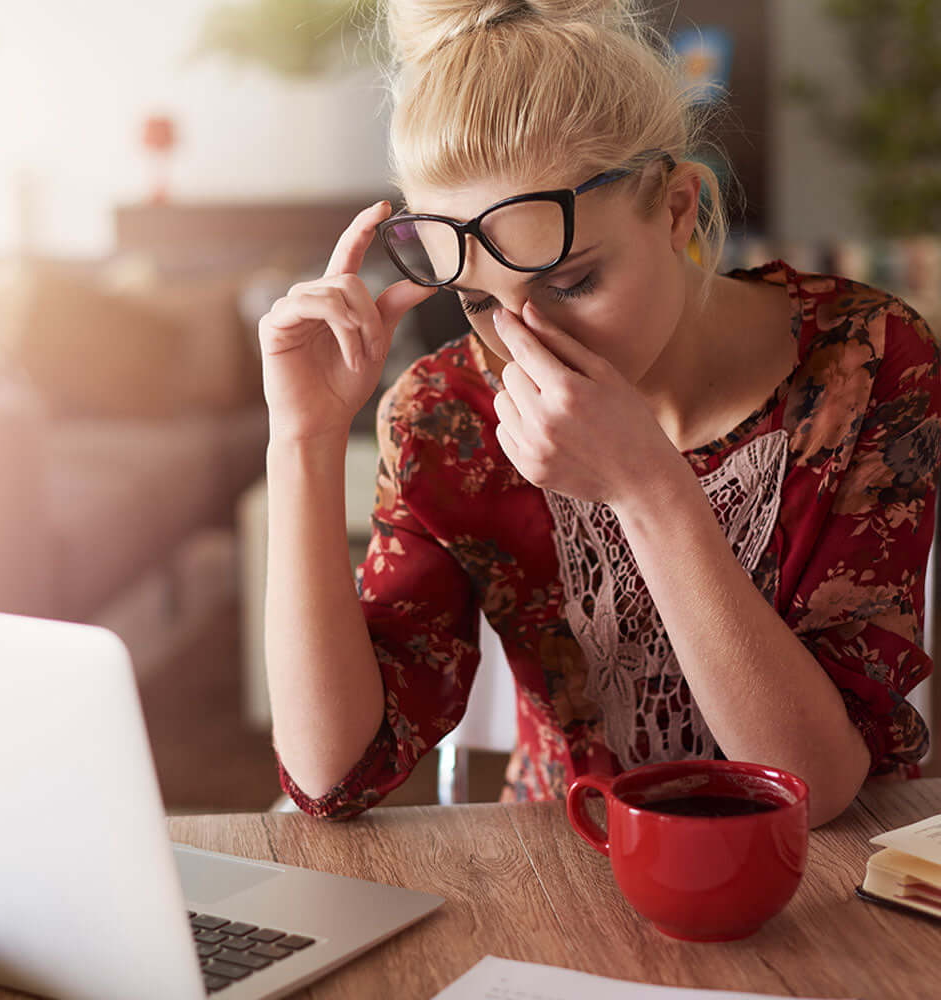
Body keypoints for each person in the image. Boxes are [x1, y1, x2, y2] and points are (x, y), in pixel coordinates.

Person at [259, 0, 941, 828]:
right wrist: (304, 437)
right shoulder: (451, 415)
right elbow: (334, 776)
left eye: (572, 281)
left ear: (680, 208)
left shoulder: (865, 363)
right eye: (478, 301)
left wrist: (648, 488)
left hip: (826, 898)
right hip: (566, 875)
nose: (526, 343)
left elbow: (816, 788)